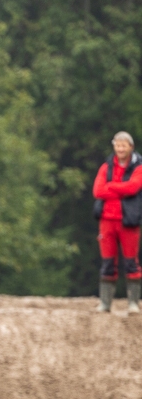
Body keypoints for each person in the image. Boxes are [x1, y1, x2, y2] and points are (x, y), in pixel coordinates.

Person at [91, 131, 142, 314]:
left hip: (128, 221)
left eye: (123, 146)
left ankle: (133, 303)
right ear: (114, 146)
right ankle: (105, 304)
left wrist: (111, 186)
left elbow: (133, 187)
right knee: (107, 262)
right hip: (106, 220)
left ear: (130, 147)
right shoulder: (106, 167)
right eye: (117, 145)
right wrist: (121, 190)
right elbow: (97, 191)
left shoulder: (138, 167)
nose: (120, 149)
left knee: (131, 262)